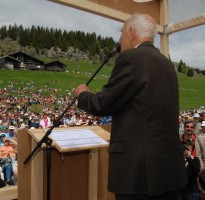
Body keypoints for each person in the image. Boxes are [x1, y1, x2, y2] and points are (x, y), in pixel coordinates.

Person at [74, 13, 187, 199]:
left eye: (121, 34)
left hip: (139, 173)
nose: (120, 42)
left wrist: (83, 94)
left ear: (131, 32)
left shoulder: (132, 58)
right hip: (167, 171)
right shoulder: (167, 64)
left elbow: (103, 104)